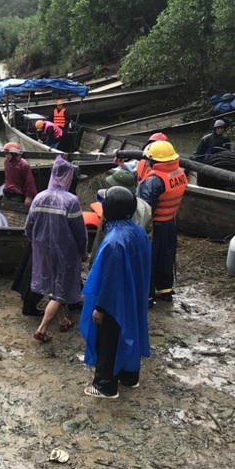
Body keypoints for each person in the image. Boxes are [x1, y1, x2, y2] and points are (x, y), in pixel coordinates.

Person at [80, 186, 151, 399]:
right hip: (134, 293)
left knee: (108, 339)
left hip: (114, 299)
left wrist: (100, 308)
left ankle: (105, 385)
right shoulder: (138, 230)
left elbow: (109, 279)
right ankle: (129, 376)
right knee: (131, 330)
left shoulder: (113, 241)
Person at [27, 156, 88, 343]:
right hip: (65, 251)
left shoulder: (39, 197)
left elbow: (29, 227)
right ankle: (42, 328)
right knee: (62, 289)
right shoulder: (71, 201)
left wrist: (35, 244)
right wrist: (82, 251)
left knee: (54, 285)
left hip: (43, 250)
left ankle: (63, 321)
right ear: (68, 177)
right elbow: (79, 231)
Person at [136, 140, 188, 306]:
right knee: (166, 258)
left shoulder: (154, 181)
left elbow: (143, 209)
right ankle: (165, 289)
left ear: (154, 161)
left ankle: (147, 296)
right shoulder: (179, 173)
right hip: (170, 223)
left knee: (148, 260)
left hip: (155, 227)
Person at [89, 169, 152, 264]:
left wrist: (93, 262)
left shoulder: (112, 209)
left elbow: (100, 237)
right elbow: (149, 237)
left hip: (113, 259)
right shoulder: (146, 207)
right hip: (137, 258)